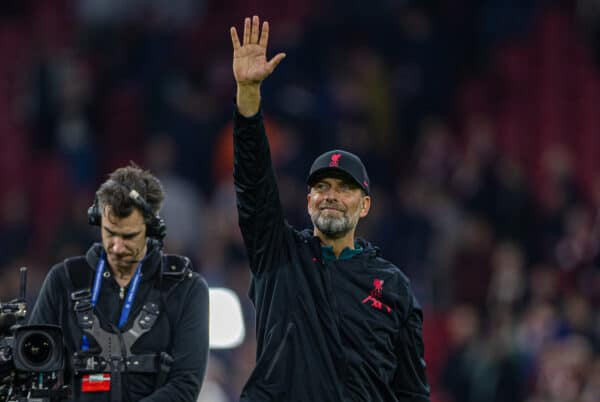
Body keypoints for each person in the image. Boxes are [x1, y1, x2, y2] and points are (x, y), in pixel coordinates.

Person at [230, 15, 430, 402]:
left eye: (345, 188)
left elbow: (411, 394)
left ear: (366, 205)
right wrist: (249, 98)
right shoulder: (277, 255)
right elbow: (253, 183)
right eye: (321, 186)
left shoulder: (393, 287)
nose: (331, 194)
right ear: (308, 202)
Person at [28, 163, 209, 402]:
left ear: (152, 229)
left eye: (129, 236)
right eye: (110, 232)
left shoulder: (186, 288)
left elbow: (185, 385)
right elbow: (32, 370)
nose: (117, 246)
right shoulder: (64, 280)